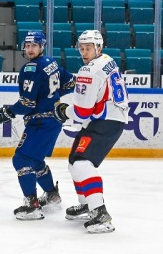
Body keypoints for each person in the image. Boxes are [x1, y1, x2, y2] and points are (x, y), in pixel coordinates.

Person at [0, 31, 75, 221]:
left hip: (40, 122)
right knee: (35, 161)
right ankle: (52, 195)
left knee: (21, 160)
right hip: (53, 120)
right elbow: (71, 82)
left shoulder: (30, 69)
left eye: (34, 46)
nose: (29, 49)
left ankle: (31, 205)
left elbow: (27, 104)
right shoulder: (51, 63)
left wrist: (8, 112)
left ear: (42, 46)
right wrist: (50, 97)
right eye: (27, 46)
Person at [53, 30, 129, 234]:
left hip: (106, 121)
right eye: (82, 48)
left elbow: (82, 111)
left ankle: (100, 213)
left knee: (82, 163)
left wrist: (63, 111)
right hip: (106, 118)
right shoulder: (107, 60)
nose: (84, 52)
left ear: (99, 47)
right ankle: (87, 205)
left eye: (89, 48)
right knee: (73, 162)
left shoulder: (88, 71)